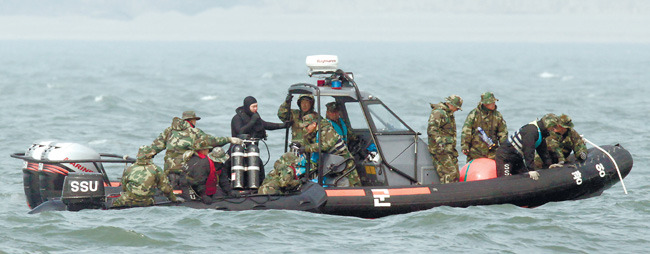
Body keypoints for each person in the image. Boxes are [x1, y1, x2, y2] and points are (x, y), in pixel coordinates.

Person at [149, 111, 242, 187]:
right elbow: (211, 141)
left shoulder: (168, 131)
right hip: (186, 171)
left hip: (169, 171)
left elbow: (154, 148)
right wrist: (229, 139)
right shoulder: (194, 132)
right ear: (192, 120)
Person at [495, 113, 565, 180]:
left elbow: (543, 151)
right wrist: (531, 169)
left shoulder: (541, 133)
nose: (554, 129)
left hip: (517, 157)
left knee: (525, 178)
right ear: (548, 124)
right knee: (505, 179)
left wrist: (549, 164)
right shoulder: (531, 131)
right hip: (506, 157)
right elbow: (528, 150)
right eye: (554, 127)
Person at [298, 114, 362, 187]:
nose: (306, 129)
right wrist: (301, 145)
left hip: (344, 160)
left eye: (307, 126)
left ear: (314, 124)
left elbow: (325, 146)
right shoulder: (316, 132)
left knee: (354, 183)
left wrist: (306, 148)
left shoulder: (326, 130)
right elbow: (311, 142)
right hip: (333, 162)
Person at [112, 145, 183, 208]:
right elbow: (166, 189)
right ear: (150, 156)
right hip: (146, 202)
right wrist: (173, 199)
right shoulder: (156, 169)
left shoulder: (130, 168)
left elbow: (124, 186)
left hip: (126, 201)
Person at [180, 139, 234, 204]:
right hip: (190, 185)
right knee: (192, 200)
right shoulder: (203, 165)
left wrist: (229, 191)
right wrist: (203, 195)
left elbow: (223, 180)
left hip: (205, 185)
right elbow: (199, 181)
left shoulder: (220, 165)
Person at [460, 92, 508, 162]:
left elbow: (503, 133)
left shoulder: (497, 116)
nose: (494, 104)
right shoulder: (474, 115)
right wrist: (465, 146)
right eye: (492, 103)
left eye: (494, 102)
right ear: (486, 104)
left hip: (492, 153)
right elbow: (466, 131)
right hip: (475, 152)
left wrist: (504, 148)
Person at [427, 95, 463, 184]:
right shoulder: (439, 113)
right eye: (456, 108)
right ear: (450, 104)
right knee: (450, 173)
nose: (457, 110)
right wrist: (440, 143)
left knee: (455, 174)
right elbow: (432, 129)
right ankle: (449, 193)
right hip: (440, 150)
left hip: (449, 149)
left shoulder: (448, 114)